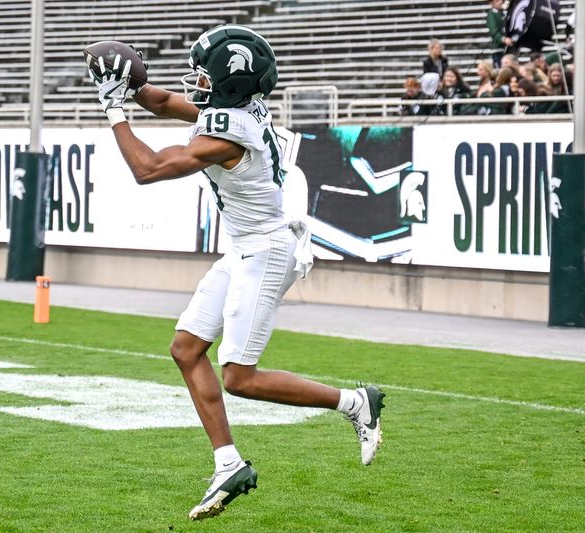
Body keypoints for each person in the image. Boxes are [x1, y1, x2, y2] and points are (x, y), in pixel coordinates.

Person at [85, 25, 386, 521]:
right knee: (186, 348)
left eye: (204, 75)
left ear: (227, 84)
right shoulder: (235, 106)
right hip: (247, 245)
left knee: (239, 377)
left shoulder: (228, 133)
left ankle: (355, 402)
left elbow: (149, 168)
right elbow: (162, 103)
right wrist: (130, 85)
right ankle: (228, 464)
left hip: (266, 250)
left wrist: (113, 107)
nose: (194, 82)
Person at [486, 0, 513, 68]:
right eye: (497, 1)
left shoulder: (505, 12)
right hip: (498, 49)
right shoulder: (492, 14)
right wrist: (503, 39)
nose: (501, 2)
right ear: (491, 3)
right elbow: (494, 32)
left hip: (509, 48)